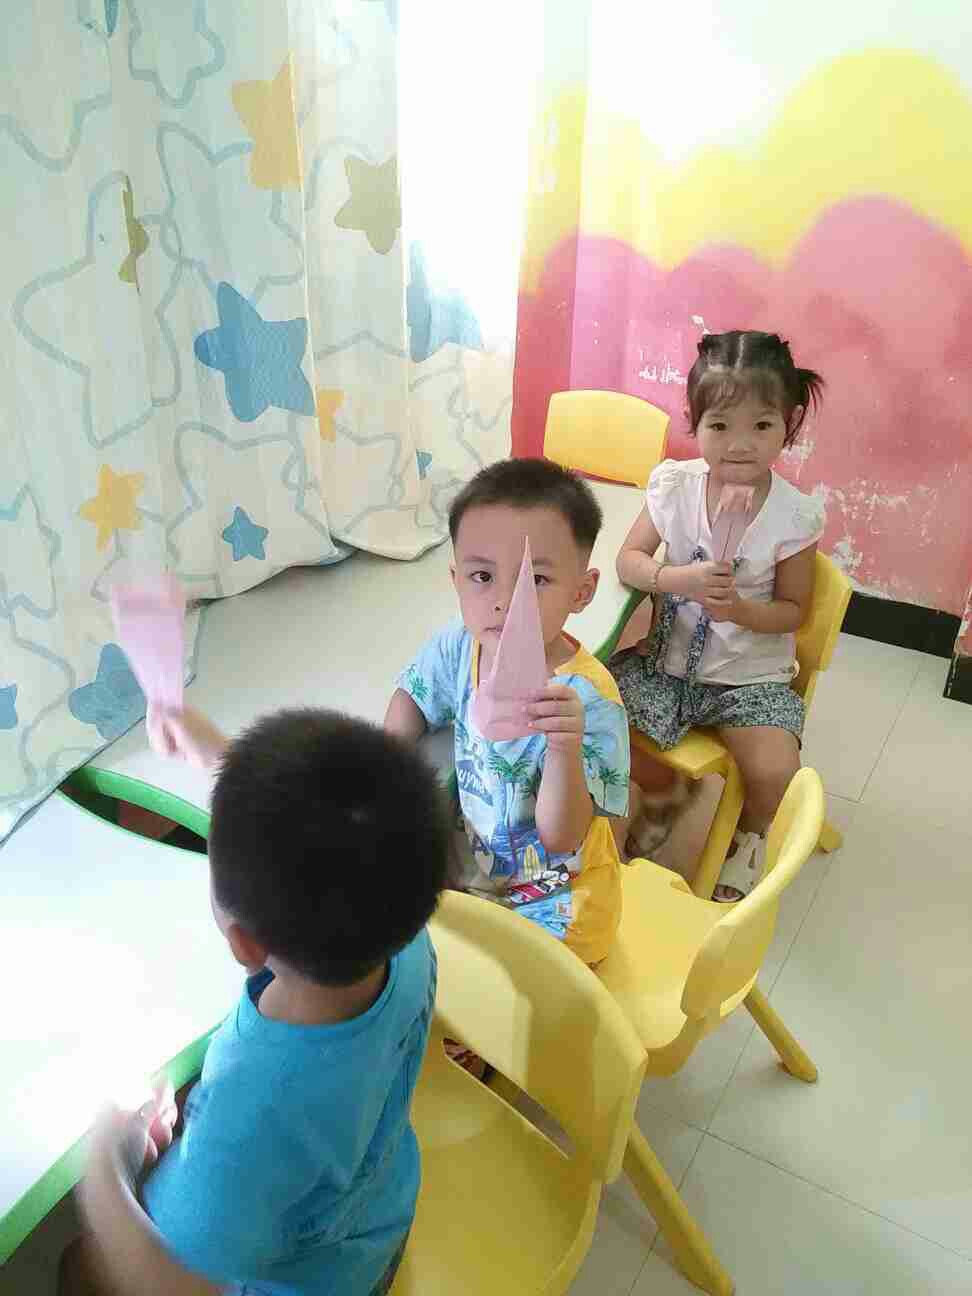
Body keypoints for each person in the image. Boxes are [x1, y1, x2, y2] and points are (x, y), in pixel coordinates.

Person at [68, 707, 450, 1296]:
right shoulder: (404, 939)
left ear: (244, 944)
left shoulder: (256, 1110)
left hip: (303, 1282)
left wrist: (100, 1172)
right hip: (375, 1222)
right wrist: (228, 762)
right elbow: (331, 841)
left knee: (80, 1268)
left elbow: (175, 1284)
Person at [385, 458, 630, 967]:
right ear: (456, 580)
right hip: (481, 878)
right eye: (482, 576)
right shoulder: (461, 644)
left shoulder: (589, 699)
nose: (504, 602)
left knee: (498, 989)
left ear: (581, 592)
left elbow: (562, 836)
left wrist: (563, 748)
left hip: (559, 902)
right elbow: (412, 696)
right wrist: (386, 767)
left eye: (535, 579)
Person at [612, 330, 825, 901]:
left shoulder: (793, 517)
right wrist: (674, 578)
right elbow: (629, 559)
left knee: (776, 770)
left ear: (789, 423)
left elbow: (794, 613)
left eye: (762, 426)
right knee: (597, 716)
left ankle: (749, 837)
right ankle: (663, 795)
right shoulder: (675, 487)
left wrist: (741, 609)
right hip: (665, 664)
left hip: (748, 678)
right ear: (695, 421)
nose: (740, 445)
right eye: (720, 426)